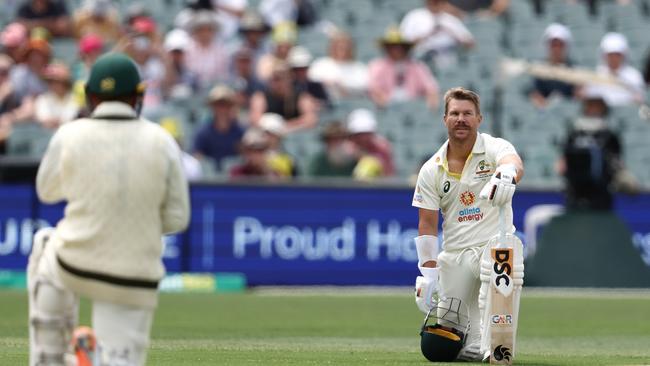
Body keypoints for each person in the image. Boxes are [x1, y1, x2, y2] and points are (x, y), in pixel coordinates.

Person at [28, 53, 190, 365]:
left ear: (90, 96)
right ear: (138, 96)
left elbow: (47, 192)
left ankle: (49, 353)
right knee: (121, 361)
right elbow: (178, 217)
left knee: (45, 242)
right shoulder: (162, 140)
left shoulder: (70, 133)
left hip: (73, 264)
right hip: (134, 275)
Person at [412, 87, 524, 361]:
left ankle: (496, 345)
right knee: (452, 342)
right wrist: (428, 274)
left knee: (501, 272)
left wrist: (507, 174)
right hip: (456, 254)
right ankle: (476, 341)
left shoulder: (495, 147)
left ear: (479, 118)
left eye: (467, 114)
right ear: (445, 119)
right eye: (455, 113)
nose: (461, 119)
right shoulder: (432, 168)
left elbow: (513, 162)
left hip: (494, 245)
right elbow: (427, 223)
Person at [558, 94, 637, 210]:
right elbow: (563, 160)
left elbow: (616, 161)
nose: (593, 110)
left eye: (597, 106)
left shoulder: (609, 135)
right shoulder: (575, 133)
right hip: (575, 191)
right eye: (591, 106)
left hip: (601, 192)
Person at [368, 26, 440, 110]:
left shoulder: (417, 67)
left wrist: (432, 99)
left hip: (412, 109)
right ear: (387, 48)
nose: (396, 49)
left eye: (400, 46)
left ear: (406, 48)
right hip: (386, 108)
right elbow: (372, 87)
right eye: (392, 46)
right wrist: (382, 99)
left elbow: (431, 88)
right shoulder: (377, 66)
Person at [399, 0, 475, 71]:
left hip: (448, 65)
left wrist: (452, 33)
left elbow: (471, 44)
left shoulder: (450, 20)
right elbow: (401, 45)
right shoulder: (414, 16)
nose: (435, 2)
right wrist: (427, 35)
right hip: (419, 62)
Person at [192, 84, 246, 171]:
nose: (222, 109)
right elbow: (197, 158)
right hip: (209, 180)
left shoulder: (240, 132)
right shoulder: (203, 132)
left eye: (226, 105)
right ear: (212, 107)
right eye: (218, 105)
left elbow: (245, 158)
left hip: (234, 179)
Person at [583, 32, 645, 107]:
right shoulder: (595, 75)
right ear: (603, 55)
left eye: (617, 54)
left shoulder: (634, 76)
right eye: (610, 55)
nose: (614, 58)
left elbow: (639, 99)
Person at [308, 31, 369, 100]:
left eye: (345, 47)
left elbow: (364, 87)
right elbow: (312, 82)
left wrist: (343, 87)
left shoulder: (360, 68)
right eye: (339, 46)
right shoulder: (320, 64)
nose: (342, 49)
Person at [528, 23, 576, 108]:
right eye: (553, 45)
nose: (556, 49)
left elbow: (577, 97)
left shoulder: (574, 70)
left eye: (560, 45)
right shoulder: (538, 71)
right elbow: (535, 94)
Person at [346, 108, 395, 178]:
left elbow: (389, 174)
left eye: (366, 133)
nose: (363, 138)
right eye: (359, 134)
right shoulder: (346, 148)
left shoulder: (382, 148)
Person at [34, 62, 79, 129]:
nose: (52, 84)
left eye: (56, 81)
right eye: (50, 81)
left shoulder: (75, 98)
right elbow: (44, 120)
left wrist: (58, 121)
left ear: (65, 82)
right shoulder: (43, 99)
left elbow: (71, 119)